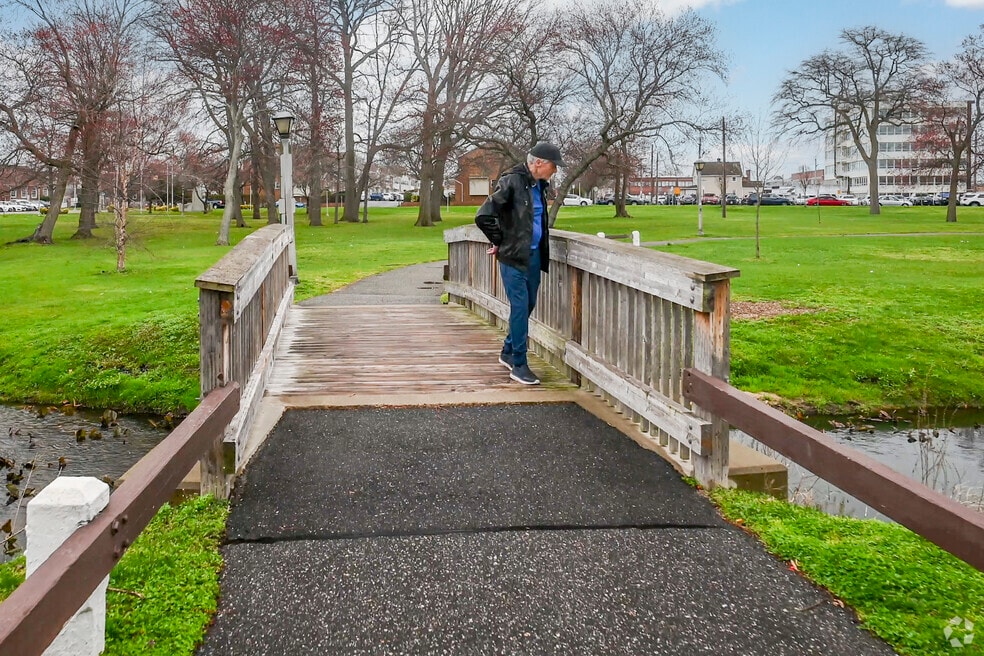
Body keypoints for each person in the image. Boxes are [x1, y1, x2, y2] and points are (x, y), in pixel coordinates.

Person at [475, 142, 565, 385]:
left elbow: (530, 221)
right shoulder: (512, 181)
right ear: (538, 163)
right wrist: (500, 241)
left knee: (528, 305)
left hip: (534, 256)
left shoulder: (540, 186)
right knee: (520, 307)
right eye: (553, 167)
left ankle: (507, 351)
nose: (555, 172)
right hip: (513, 257)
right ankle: (519, 364)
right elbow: (484, 215)